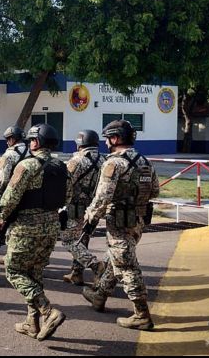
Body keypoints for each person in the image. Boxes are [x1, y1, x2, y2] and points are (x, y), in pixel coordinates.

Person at [81, 120, 160, 331]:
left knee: (126, 266)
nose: (106, 143)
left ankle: (141, 314)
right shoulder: (144, 161)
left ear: (115, 138)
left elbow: (103, 197)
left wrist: (90, 218)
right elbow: (155, 191)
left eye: (108, 139)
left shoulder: (114, 163)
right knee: (115, 258)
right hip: (138, 220)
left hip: (119, 221)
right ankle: (99, 296)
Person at [0, 123, 68, 341]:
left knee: (14, 271)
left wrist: (1, 217)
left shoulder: (26, 165)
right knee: (34, 273)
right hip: (51, 226)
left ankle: (48, 311)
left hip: (25, 227)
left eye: (31, 140)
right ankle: (31, 323)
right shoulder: (61, 167)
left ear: (36, 142)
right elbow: (68, 196)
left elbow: (11, 196)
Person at [60, 130, 106, 286]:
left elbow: (65, 183)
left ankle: (95, 265)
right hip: (93, 208)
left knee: (69, 240)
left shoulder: (77, 160)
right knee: (82, 239)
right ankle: (76, 273)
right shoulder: (104, 160)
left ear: (79, 143)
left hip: (75, 207)